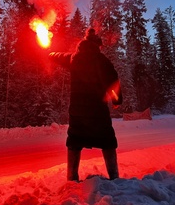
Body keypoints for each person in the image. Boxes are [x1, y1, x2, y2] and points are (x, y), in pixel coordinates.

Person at [49, 28, 122, 181]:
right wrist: (117, 100)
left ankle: (72, 177)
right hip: (97, 112)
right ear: (97, 45)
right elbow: (113, 81)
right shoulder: (102, 61)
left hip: (77, 113)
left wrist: (50, 54)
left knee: (74, 141)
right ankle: (114, 177)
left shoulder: (74, 58)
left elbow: (60, 56)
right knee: (107, 141)